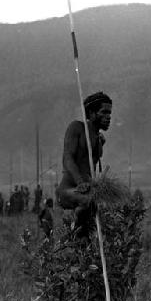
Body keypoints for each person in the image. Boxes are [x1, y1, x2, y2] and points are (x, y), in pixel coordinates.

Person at [56, 91, 112, 239]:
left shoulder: (99, 139)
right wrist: (80, 182)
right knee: (87, 201)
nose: (108, 117)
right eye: (104, 112)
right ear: (92, 113)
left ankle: (84, 239)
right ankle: (73, 235)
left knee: (106, 210)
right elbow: (67, 158)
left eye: (110, 113)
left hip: (88, 190)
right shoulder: (77, 128)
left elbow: (90, 166)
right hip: (70, 189)